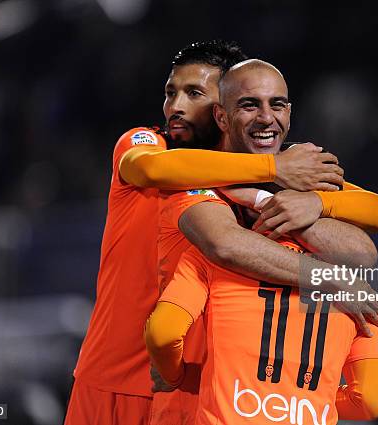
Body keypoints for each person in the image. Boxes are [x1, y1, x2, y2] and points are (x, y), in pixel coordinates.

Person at [63, 41, 346, 425]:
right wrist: (273, 169)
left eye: (193, 93)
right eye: (170, 92)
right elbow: (150, 171)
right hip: (112, 382)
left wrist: (319, 204)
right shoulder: (149, 144)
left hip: (196, 393)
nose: (175, 106)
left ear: (223, 109)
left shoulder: (259, 167)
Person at [145, 59, 378, 425]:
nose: (265, 117)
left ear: (289, 113)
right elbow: (225, 243)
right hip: (196, 407)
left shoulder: (305, 180)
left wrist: (308, 202)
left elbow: (371, 237)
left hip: (211, 406)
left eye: (276, 104)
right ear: (222, 117)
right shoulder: (195, 177)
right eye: (249, 104)